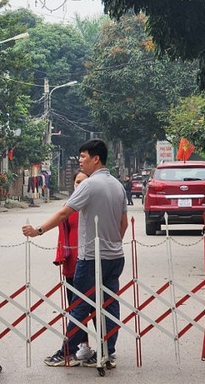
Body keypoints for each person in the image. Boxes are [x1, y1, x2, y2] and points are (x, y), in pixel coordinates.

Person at [22, 139, 127, 368]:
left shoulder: (89, 185)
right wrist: (113, 243)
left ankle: (67, 352)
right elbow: (123, 224)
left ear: (96, 159)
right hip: (115, 256)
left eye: (83, 157)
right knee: (109, 304)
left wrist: (38, 230)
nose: (80, 162)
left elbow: (63, 213)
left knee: (79, 303)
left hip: (90, 257)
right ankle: (107, 351)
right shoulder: (117, 186)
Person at [48, 171, 91, 366]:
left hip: (90, 262)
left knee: (94, 307)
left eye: (84, 182)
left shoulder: (93, 207)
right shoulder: (68, 207)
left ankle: (104, 347)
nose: (80, 185)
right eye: (77, 182)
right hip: (72, 263)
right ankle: (82, 345)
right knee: (75, 307)